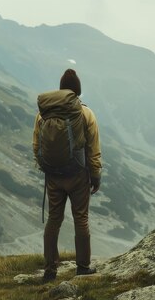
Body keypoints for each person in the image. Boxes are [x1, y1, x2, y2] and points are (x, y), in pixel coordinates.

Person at [32, 69, 102, 282]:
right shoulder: (86, 113)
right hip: (78, 176)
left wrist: (48, 168)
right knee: (81, 219)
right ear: (78, 90)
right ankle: (82, 267)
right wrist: (96, 175)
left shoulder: (43, 114)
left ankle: (50, 270)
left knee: (54, 220)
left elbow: (36, 146)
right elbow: (93, 149)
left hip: (53, 176)